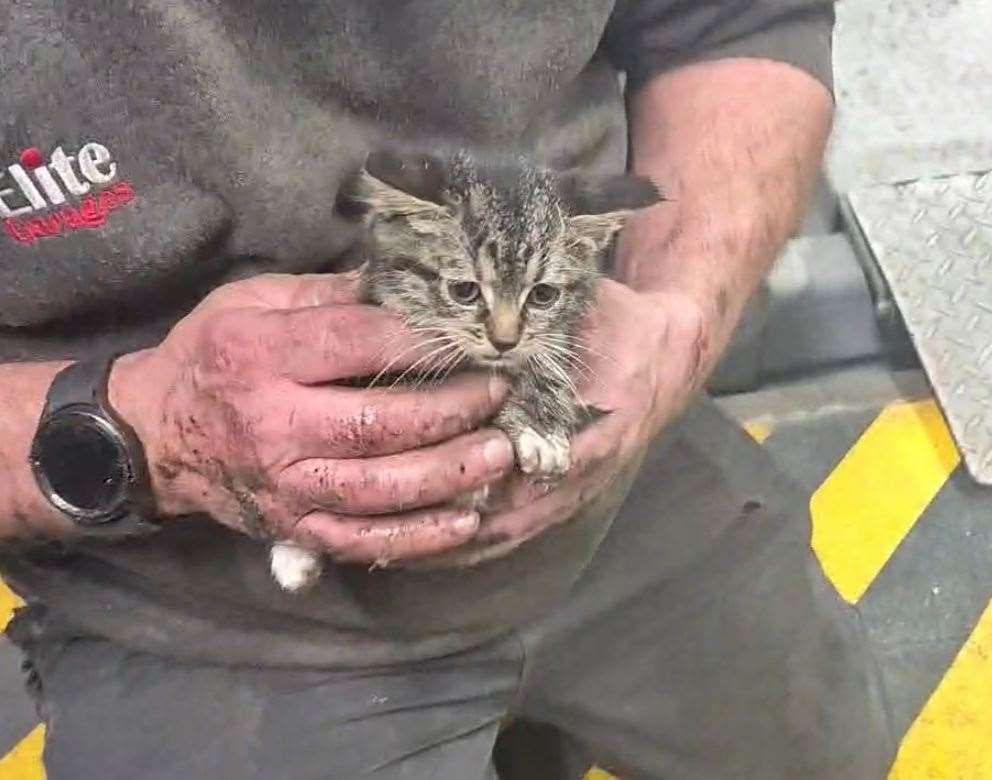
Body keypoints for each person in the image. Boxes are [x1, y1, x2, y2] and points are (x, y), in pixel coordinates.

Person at [0, 2, 894, 778]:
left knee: (826, 748)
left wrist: (675, 325)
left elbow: (737, 23)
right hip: (185, 605)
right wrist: (139, 435)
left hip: (620, 460)